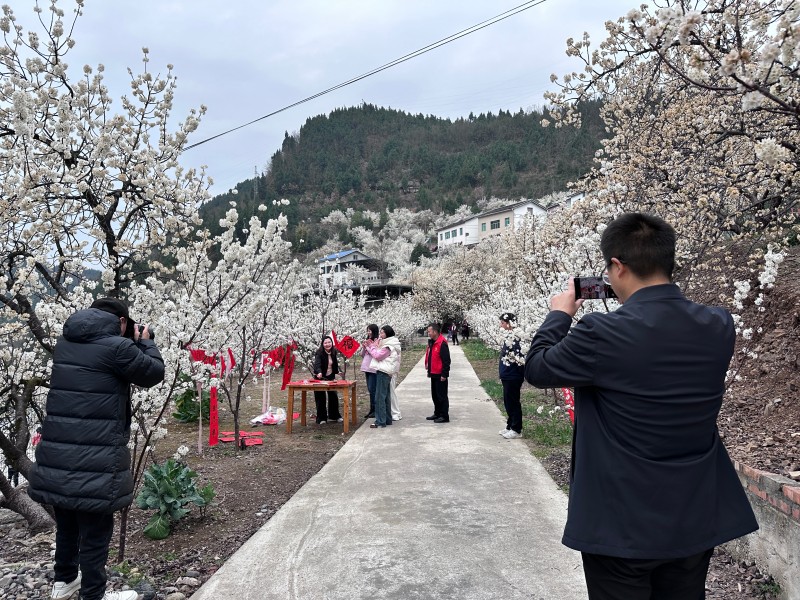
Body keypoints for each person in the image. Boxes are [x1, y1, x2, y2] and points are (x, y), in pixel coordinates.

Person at [524, 212, 758, 600]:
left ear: (617, 266)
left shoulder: (601, 333)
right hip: (694, 512)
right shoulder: (719, 324)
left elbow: (537, 367)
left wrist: (559, 314)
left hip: (621, 521)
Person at [27, 297, 165, 600]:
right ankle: (93, 595)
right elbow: (153, 373)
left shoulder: (66, 343)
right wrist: (146, 342)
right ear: (121, 323)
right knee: (95, 531)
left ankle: (64, 582)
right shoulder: (119, 348)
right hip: (96, 458)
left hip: (59, 455)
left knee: (67, 523)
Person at [364, 325, 402, 428]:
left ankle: (380, 421)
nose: (380, 335)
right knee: (386, 396)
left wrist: (371, 346)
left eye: (382, 333)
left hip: (383, 371)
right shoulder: (391, 343)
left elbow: (378, 356)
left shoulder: (388, 346)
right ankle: (387, 419)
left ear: (387, 334)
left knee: (379, 397)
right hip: (387, 372)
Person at [498, 313, 525, 440]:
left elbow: (519, 358)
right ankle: (510, 425)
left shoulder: (517, 338)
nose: (501, 325)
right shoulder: (508, 336)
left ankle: (516, 428)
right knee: (508, 401)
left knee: (513, 401)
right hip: (507, 374)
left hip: (513, 375)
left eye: (502, 323)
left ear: (508, 323)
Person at [313, 335, 343, 424]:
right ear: (322, 344)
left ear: (332, 343)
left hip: (330, 377)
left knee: (333, 396)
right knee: (320, 397)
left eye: (329, 342)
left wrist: (338, 372)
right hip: (320, 377)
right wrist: (318, 372)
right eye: (325, 343)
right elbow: (317, 364)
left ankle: (334, 416)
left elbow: (334, 364)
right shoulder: (319, 353)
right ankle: (321, 418)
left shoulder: (334, 352)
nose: (327, 344)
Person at [424, 323, 451, 423]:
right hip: (433, 372)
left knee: (442, 396)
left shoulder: (441, 343)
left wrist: (444, 374)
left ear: (435, 331)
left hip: (440, 374)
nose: (428, 333)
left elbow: (446, 360)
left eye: (429, 331)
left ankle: (444, 416)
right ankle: (437, 413)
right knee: (435, 395)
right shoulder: (432, 342)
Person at [360, 324, 380, 419]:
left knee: (373, 389)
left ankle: (375, 410)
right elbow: (362, 355)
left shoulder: (377, 341)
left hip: (373, 368)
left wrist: (368, 346)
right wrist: (364, 347)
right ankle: (371, 410)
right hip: (366, 368)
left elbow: (375, 354)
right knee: (370, 389)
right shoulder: (367, 341)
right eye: (367, 330)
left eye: (370, 331)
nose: (368, 332)